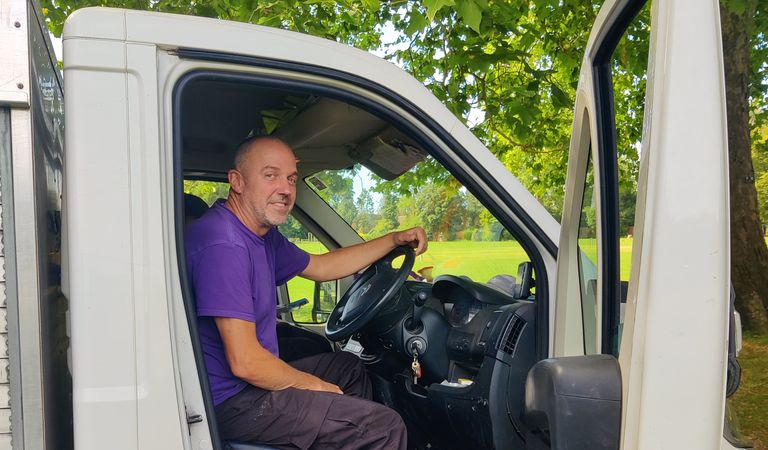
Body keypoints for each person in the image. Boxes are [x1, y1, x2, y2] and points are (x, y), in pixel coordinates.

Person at [185, 136, 428, 449]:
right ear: (237, 181)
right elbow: (245, 362)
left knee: (348, 368)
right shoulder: (225, 244)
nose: (285, 190)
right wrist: (316, 386)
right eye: (270, 175)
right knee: (382, 428)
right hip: (230, 400)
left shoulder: (257, 233)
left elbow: (322, 267)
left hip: (242, 386)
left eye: (290, 179)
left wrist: (393, 240)